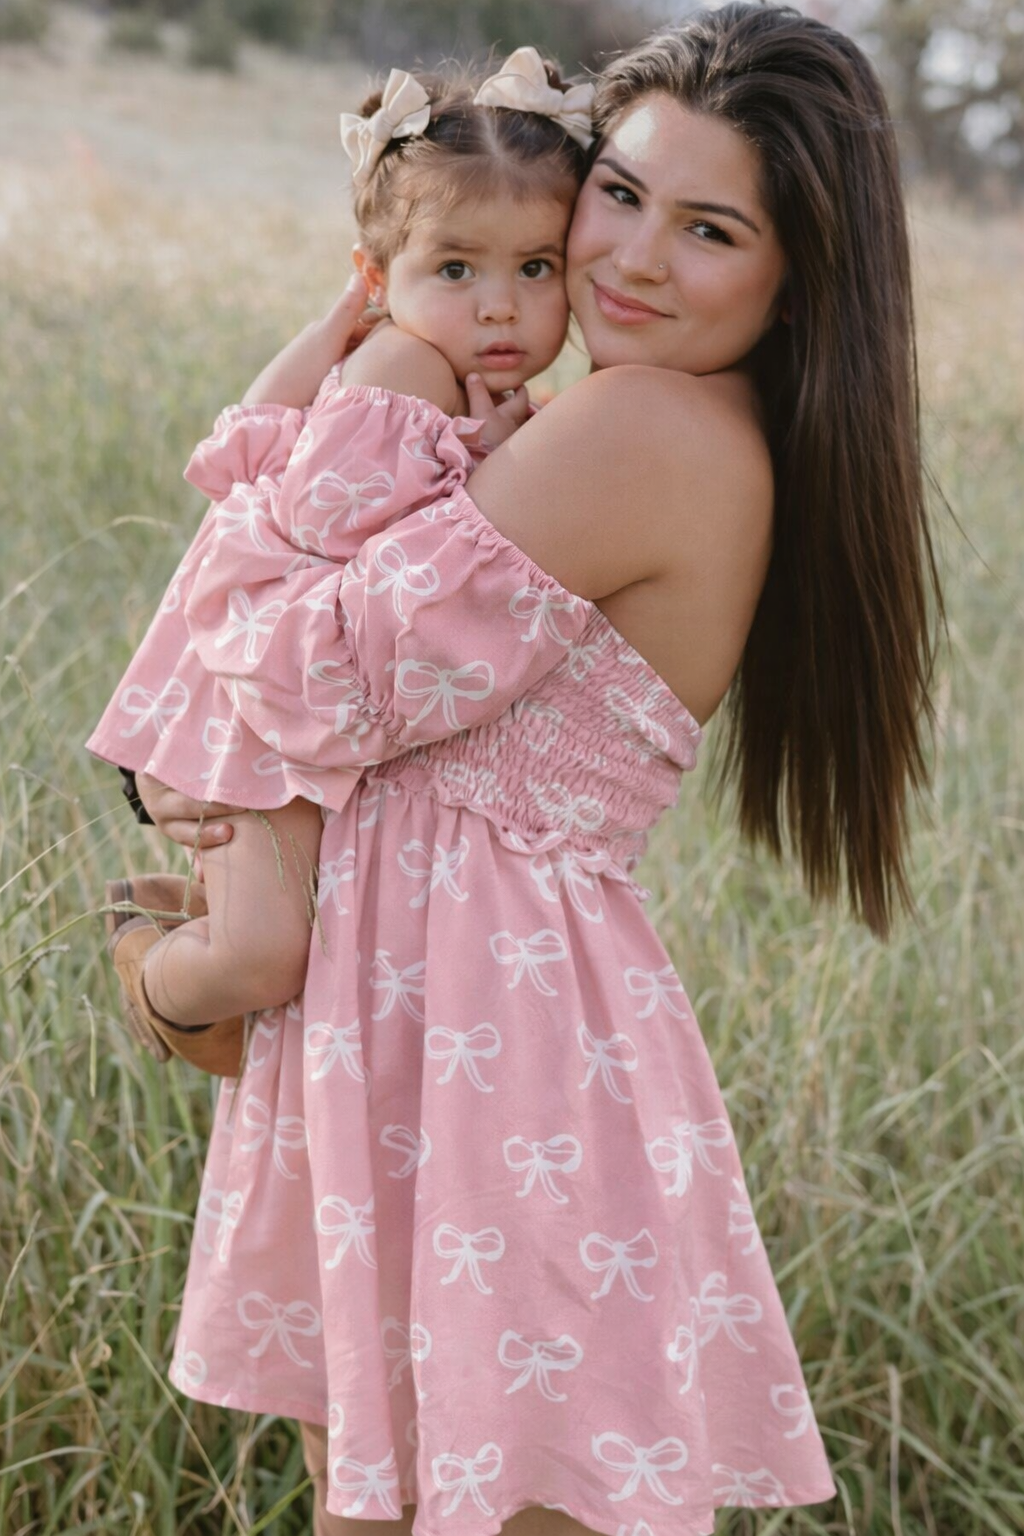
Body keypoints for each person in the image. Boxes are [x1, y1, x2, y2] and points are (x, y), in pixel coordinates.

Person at [128, 4, 945, 1531]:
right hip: (458, 1019)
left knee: (428, 1497)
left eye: (707, 229)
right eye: (621, 193)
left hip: (485, 1042)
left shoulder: (643, 426)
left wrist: (253, 513)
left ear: (793, 279)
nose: (631, 257)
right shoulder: (663, 420)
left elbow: (310, 675)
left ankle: (159, 979)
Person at [87, 50, 596, 1076]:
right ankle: (148, 971)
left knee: (299, 919)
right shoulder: (406, 372)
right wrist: (481, 464)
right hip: (261, 676)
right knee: (267, 956)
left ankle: (196, 925)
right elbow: (323, 526)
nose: (499, 305)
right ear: (378, 279)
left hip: (298, 674)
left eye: (534, 267)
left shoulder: (446, 377)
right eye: (456, 268)